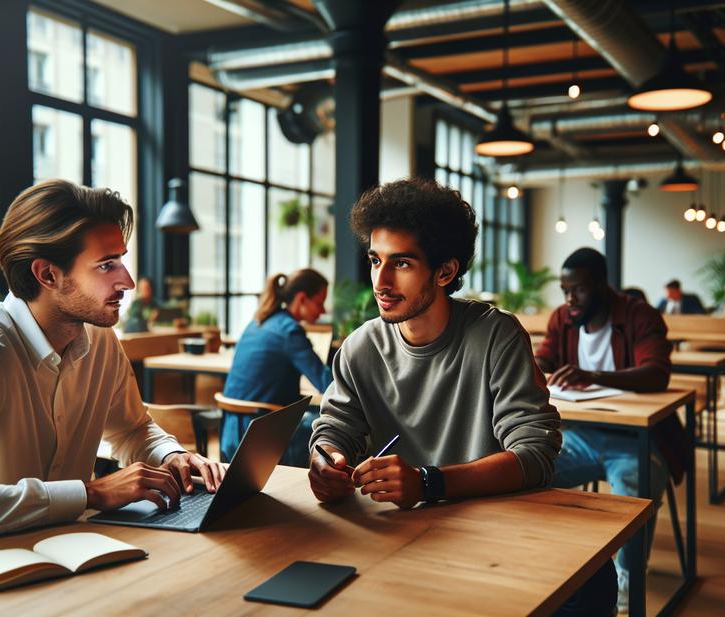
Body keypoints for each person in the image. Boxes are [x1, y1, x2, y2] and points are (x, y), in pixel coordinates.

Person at [308, 178, 616, 616]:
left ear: (446, 271)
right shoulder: (361, 347)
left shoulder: (496, 336)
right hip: (400, 537)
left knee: (594, 578)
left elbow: (534, 456)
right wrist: (327, 460)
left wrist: (428, 481)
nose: (380, 279)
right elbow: (333, 429)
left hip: (495, 531)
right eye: (376, 259)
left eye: (402, 263)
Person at [0, 179, 225, 546]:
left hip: (51, 546)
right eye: (107, 265)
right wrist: (91, 494)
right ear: (47, 275)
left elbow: (131, 430)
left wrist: (172, 455)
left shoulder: (101, 341)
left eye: (121, 261)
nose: (127, 281)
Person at [535, 247, 688, 615]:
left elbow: (657, 372)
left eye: (580, 290)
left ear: (603, 285)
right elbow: (544, 358)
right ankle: (551, 568)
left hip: (638, 441)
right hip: (578, 435)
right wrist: (535, 367)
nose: (570, 299)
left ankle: (625, 585)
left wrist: (591, 375)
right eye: (565, 290)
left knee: (637, 483)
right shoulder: (563, 318)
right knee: (528, 469)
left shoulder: (639, 316)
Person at [221, 268, 332, 465]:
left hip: (230, 435)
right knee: (335, 428)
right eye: (319, 303)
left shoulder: (258, 322)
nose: (323, 311)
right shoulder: (290, 331)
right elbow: (327, 384)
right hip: (260, 437)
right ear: (301, 299)